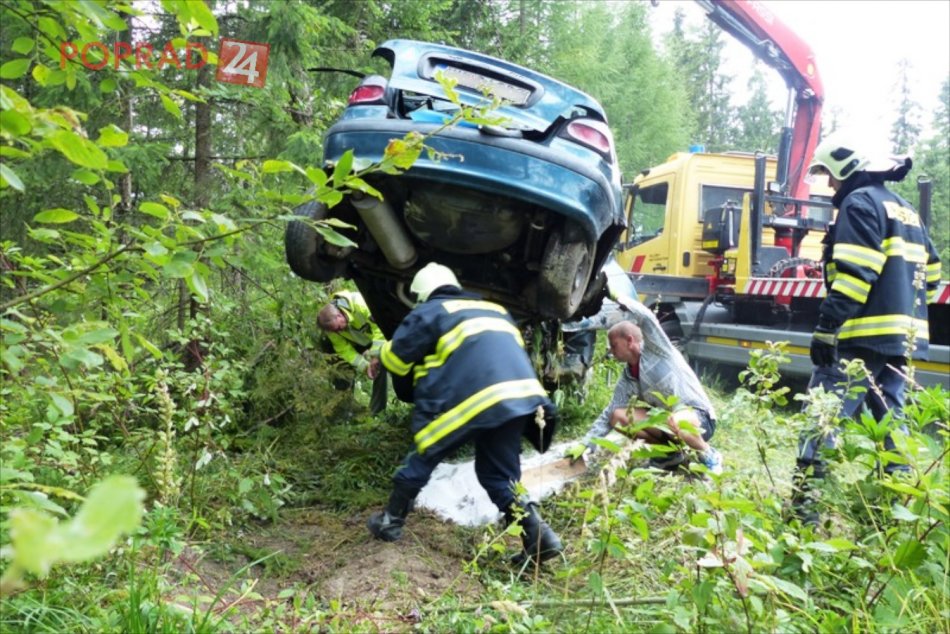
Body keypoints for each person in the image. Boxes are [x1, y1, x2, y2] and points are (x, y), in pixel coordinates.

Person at [367, 262, 563, 564]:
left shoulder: (430, 311)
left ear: (422, 295)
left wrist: (380, 353)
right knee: (498, 475)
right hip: (520, 398)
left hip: (473, 397)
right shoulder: (495, 309)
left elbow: (396, 361)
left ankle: (390, 521)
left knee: (425, 451)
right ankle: (540, 537)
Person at [792, 133, 941, 525]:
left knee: (822, 419)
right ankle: (897, 518)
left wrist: (827, 326)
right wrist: (899, 305)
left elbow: (857, 273)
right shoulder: (905, 209)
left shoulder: (858, 203)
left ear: (847, 168)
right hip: (901, 342)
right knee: (892, 429)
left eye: (830, 175)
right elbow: (932, 276)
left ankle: (803, 517)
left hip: (859, 340)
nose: (829, 184)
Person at [572, 297, 723, 474]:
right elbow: (609, 413)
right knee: (617, 416)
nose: (611, 351)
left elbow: (647, 318)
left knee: (675, 419)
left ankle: (708, 455)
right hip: (667, 422)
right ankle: (670, 455)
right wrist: (586, 445)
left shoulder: (658, 350)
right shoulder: (628, 377)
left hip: (699, 417)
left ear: (629, 341)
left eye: (614, 345)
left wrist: (619, 297)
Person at [317, 290, 388, 415]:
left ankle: (377, 411)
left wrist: (375, 356)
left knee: (380, 362)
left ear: (339, 315)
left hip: (378, 336)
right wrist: (365, 366)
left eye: (339, 328)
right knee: (329, 347)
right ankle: (344, 407)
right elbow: (344, 349)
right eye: (335, 331)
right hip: (357, 341)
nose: (339, 331)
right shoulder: (331, 329)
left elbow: (380, 329)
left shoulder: (361, 304)